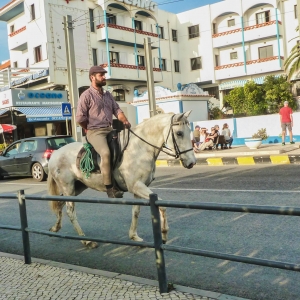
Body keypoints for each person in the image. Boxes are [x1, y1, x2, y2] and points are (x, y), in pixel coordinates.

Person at [76, 66, 131, 198]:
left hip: (109, 129)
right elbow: (79, 118)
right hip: (95, 132)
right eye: (101, 75)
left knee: (126, 147)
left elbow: (117, 110)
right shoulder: (86, 95)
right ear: (92, 77)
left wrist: (125, 121)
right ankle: (109, 188)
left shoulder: (108, 95)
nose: (104, 77)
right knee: (106, 153)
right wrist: (88, 128)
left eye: (104, 75)